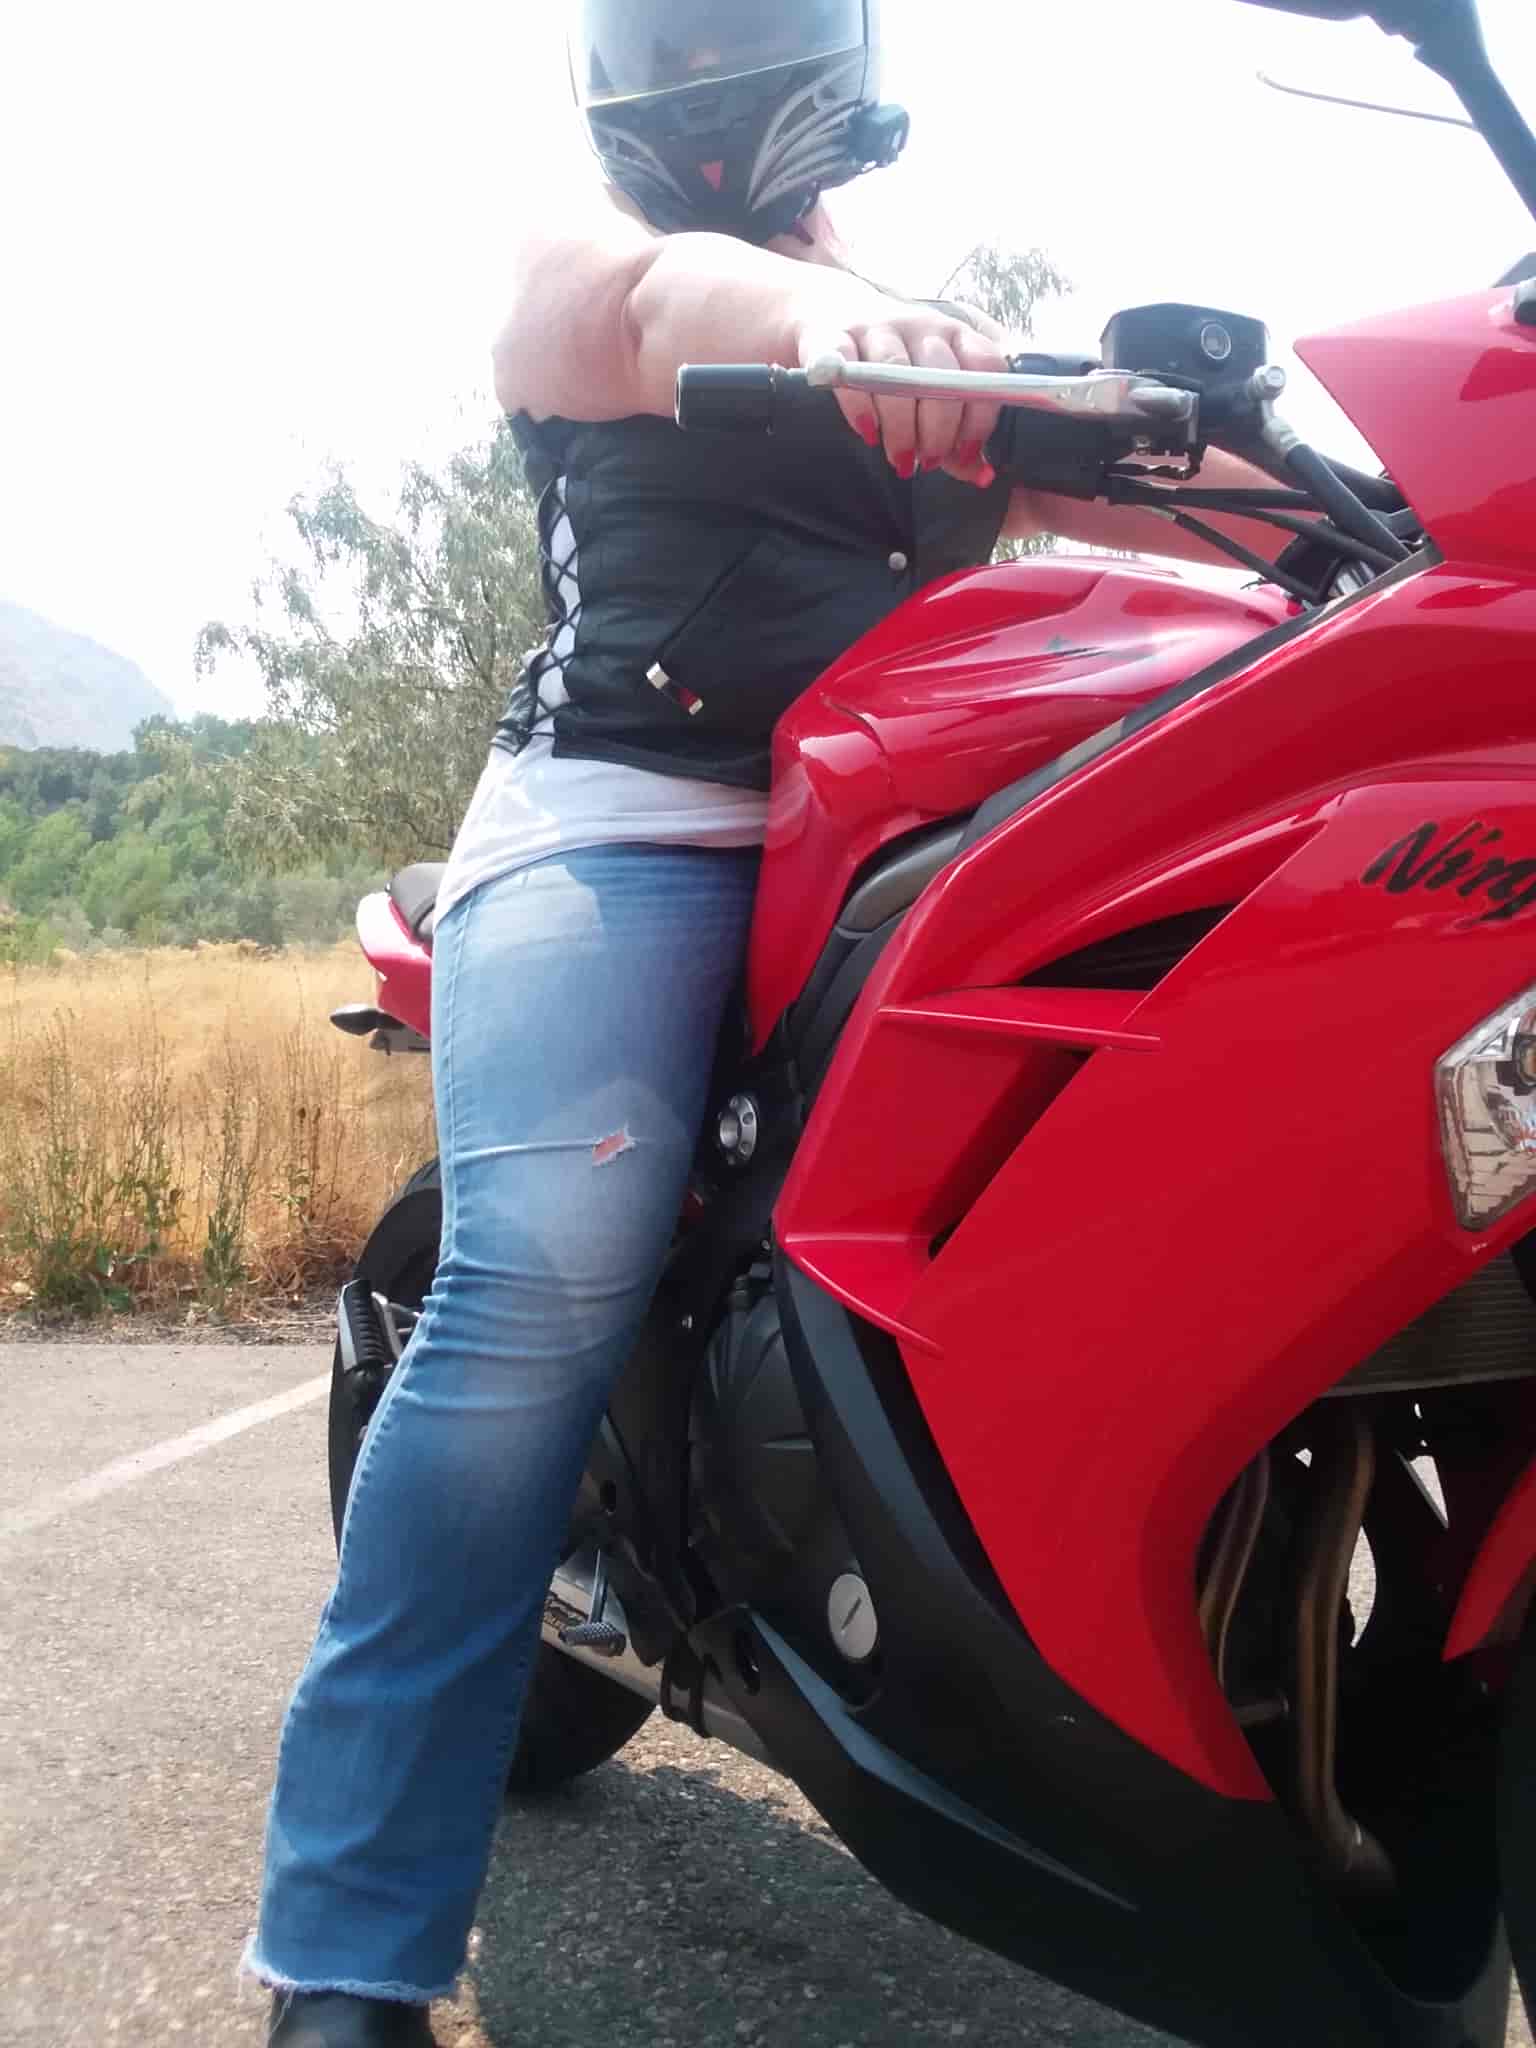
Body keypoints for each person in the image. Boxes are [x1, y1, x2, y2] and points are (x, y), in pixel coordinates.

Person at [246, 7, 1288, 2043]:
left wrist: (1366, 496)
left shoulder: (930, 329)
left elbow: (1159, 489)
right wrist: (842, 330)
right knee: (546, 1265)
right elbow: (660, 312)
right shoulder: (598, 261)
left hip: (912, 828)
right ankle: (349, 1944)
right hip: (627, 816)